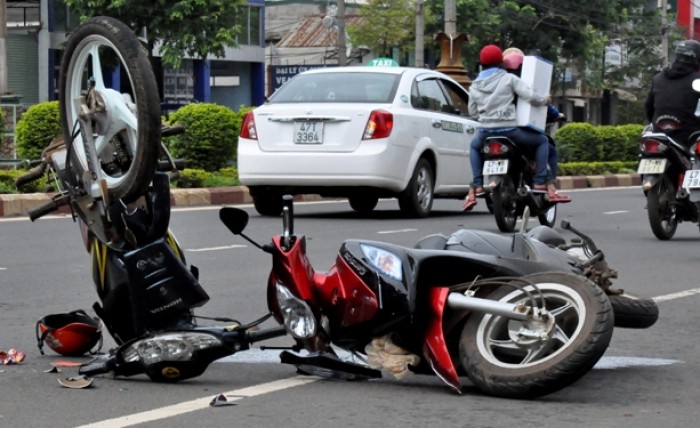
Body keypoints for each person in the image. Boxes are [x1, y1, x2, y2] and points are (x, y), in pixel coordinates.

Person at [463, 44, 568, 212]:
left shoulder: (475, 85)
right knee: (541, 141)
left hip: (485, 133)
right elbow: (530, 97)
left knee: (475, 147)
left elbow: (472, 112)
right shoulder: (509, 79)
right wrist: (545, 101)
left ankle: (477, 186)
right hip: (509, 132)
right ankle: (540, 182)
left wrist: (486, 117)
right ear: (501, 63)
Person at [503, 49, 569, 196]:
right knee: (544, 144)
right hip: (519, 132)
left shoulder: (497, 84)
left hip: (495, 130)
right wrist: (554, 111)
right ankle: (543, 182)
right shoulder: (522, 83)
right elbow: (540, 100)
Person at [645, 39, 700, 147]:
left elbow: (649, 108)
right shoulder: (697, 80)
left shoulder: (658, 78)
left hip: (659, 135)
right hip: (687, 139)